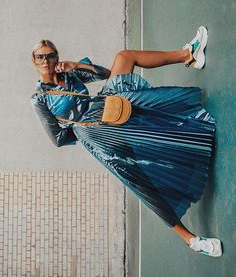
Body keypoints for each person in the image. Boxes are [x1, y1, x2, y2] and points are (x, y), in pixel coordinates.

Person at [31, 26, 222, 257]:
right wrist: (87, 130)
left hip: (103, 107)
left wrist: (78, 66)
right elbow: (59, 139)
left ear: (56, 57)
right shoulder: (39, 98)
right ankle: (191, 240)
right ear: (34, 61)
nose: (46, 60)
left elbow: (105, 74)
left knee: (124, 57)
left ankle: (188, 55)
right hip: (94, 133)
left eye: (50, 55)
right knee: (140, 181)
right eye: (40, 56)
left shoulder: (69, 73)